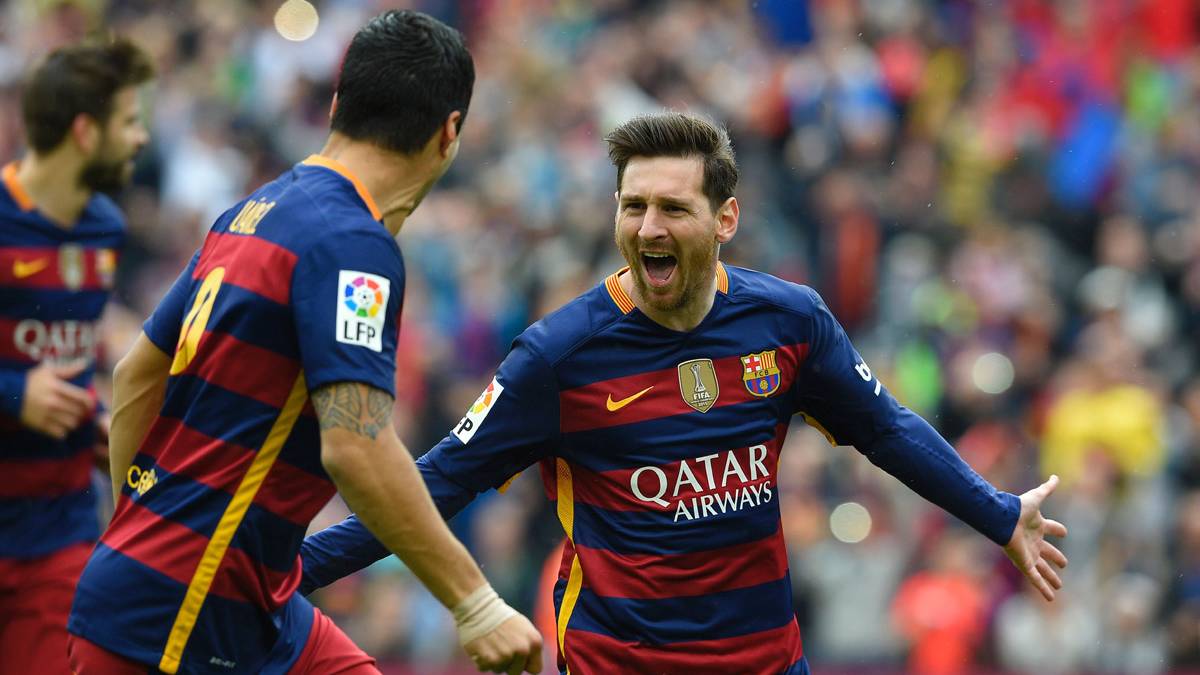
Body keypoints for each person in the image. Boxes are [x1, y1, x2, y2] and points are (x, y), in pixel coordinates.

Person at [298, 112, 1070, 674]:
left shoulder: (788, 322)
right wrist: (292, 568)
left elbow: (887, 428)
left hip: (767, 659)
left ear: (724, 218)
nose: (647, 225)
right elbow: (437, 481)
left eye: (672, 207)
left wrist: (998, 513)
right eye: (633, 206)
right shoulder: (559, 354)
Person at [67, 11, 541, 675]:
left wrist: (142, 531)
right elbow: (357, 443)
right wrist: (475, 601)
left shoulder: (251, 212)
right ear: (449, 132)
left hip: (233, 601)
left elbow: (135, 375)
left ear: (338, 106)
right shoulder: (353, 243)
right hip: (178, 622)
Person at [0, 38, 153, 675]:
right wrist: (14, 396)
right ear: (86, 132)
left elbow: (66, 357)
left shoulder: (105, 230)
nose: (141, 137)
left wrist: (93, 418)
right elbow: (24, 378)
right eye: (129, 120)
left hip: (56, 532)